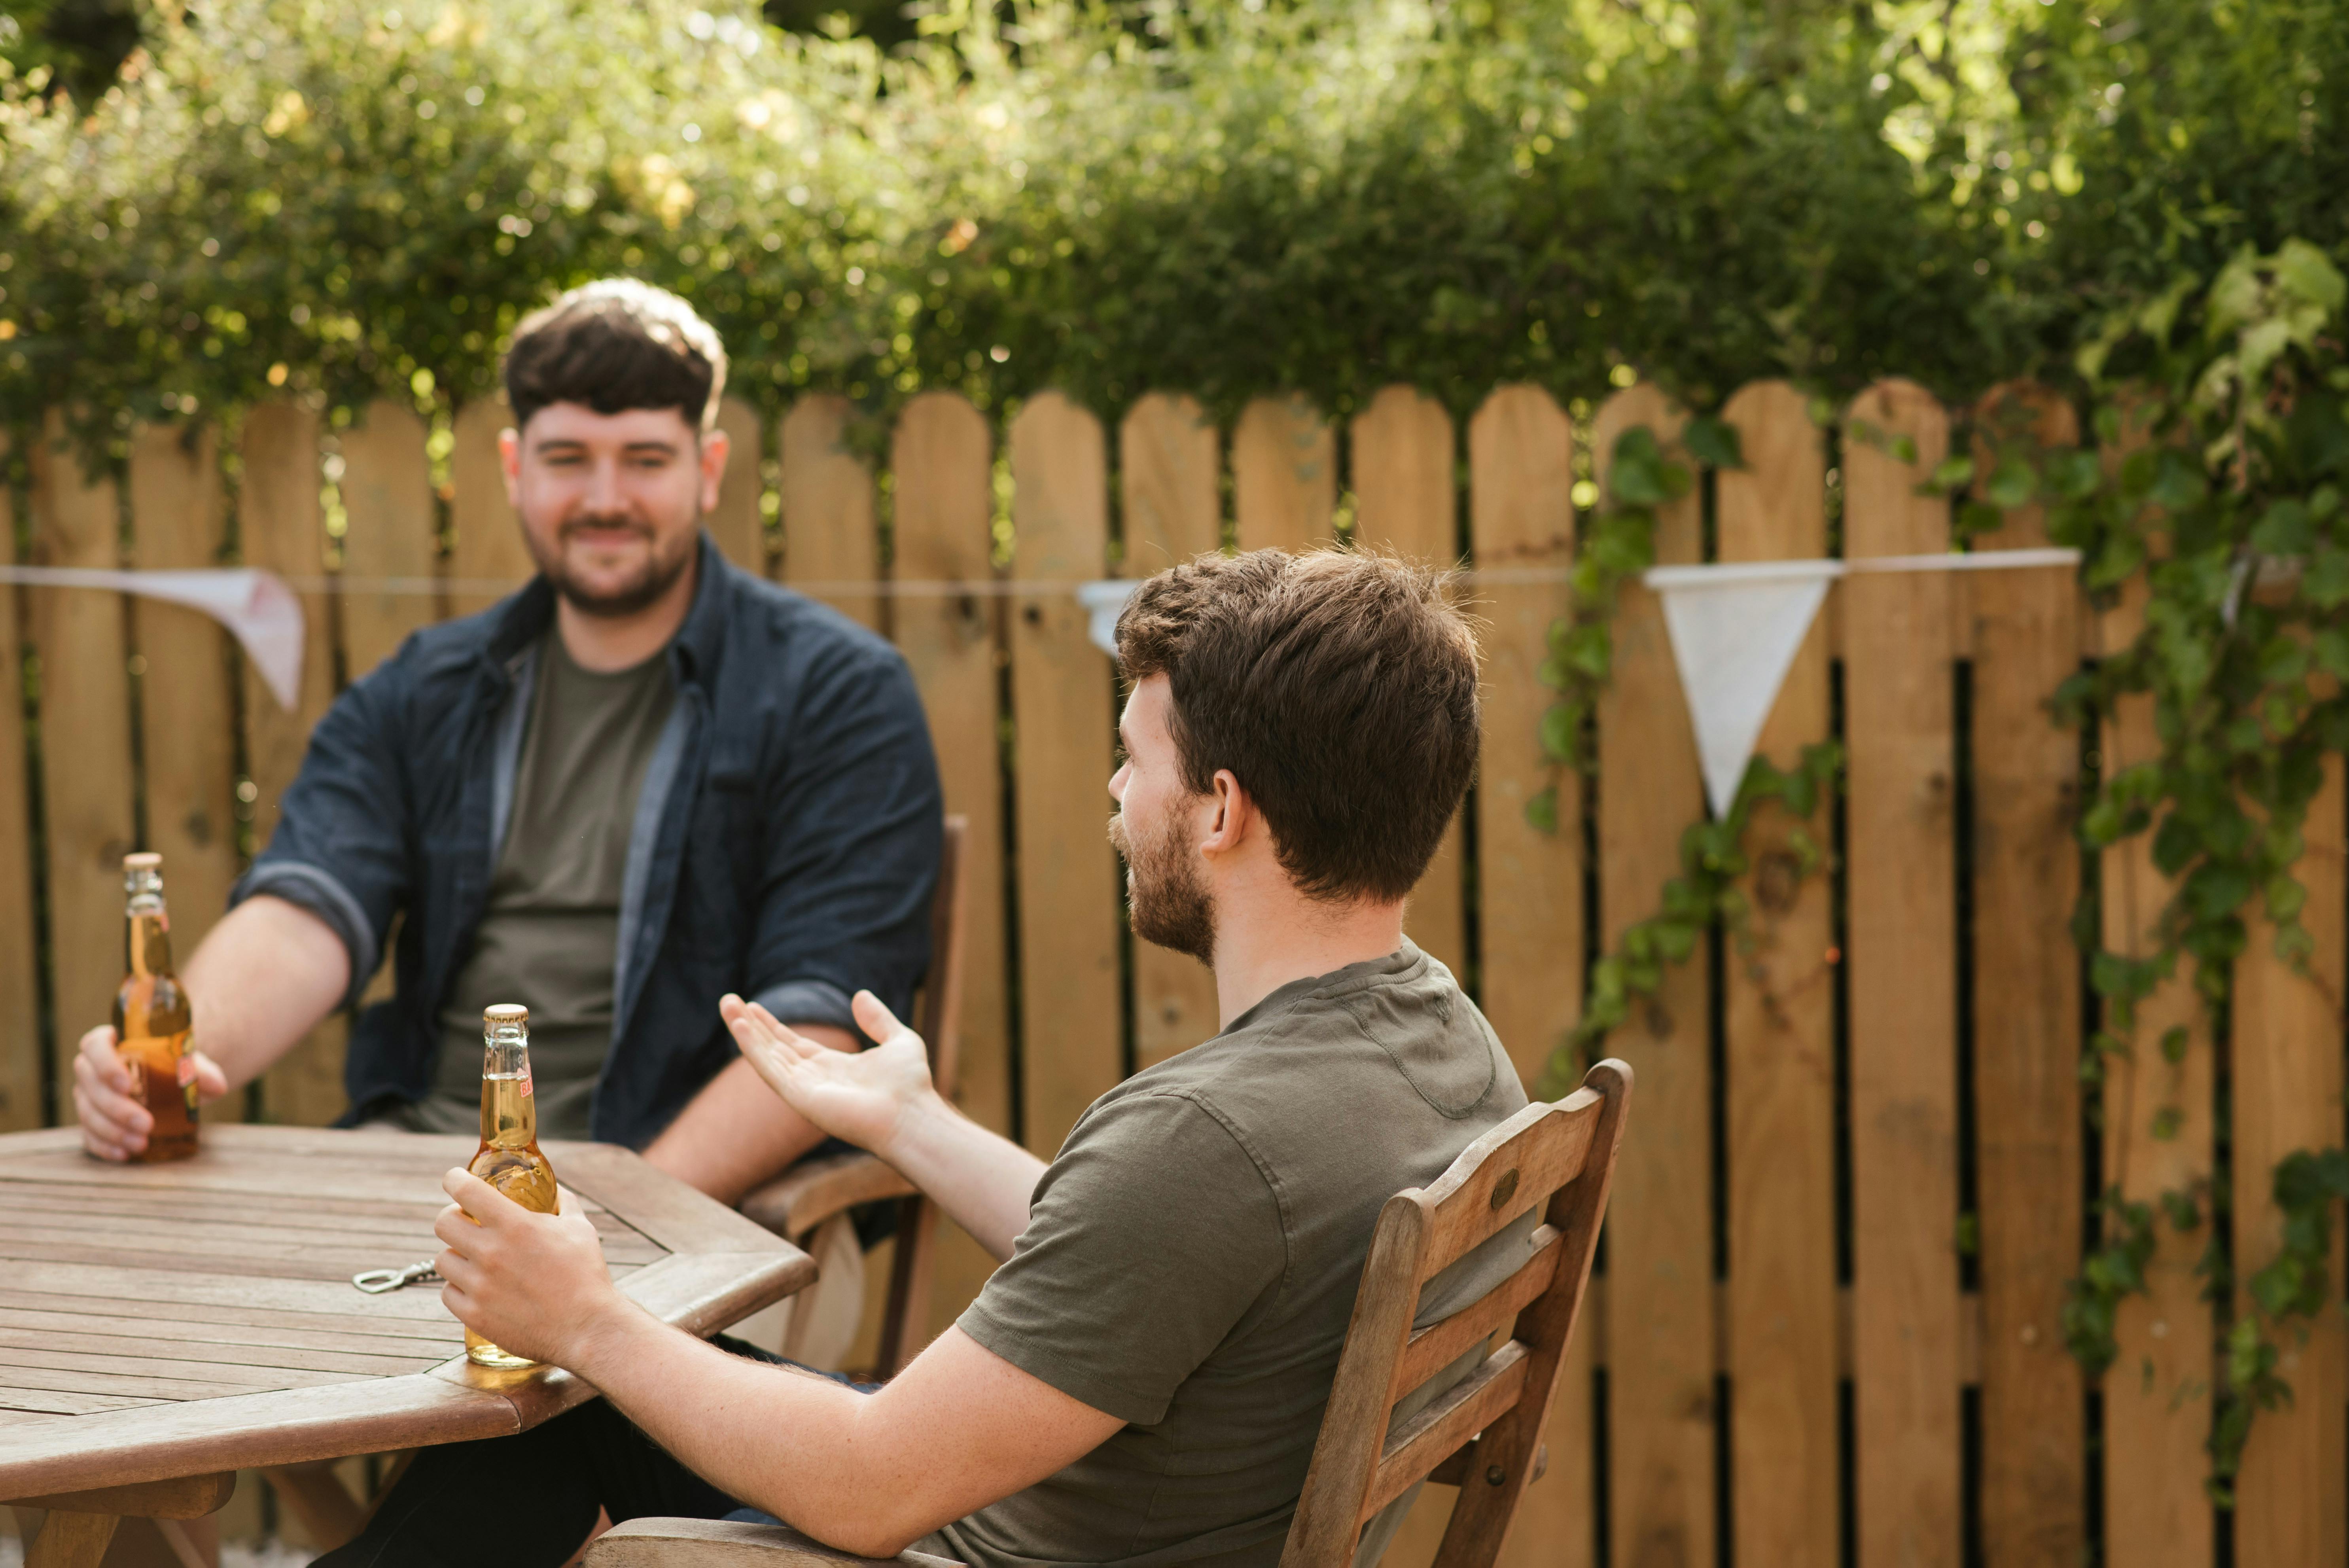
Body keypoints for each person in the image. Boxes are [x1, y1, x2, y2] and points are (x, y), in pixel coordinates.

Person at [323, 546, 1539, 1568]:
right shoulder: (1441, 1046)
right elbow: (1161, 1275)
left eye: (1134, 757)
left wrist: (584, 1318)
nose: (1116, 797)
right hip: (1043, 1508)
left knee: (570, 1389)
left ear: (1222, 811)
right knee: (579, 1407)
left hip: (938, 1535)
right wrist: (911, 1122)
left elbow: (870, 1485)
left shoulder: (1208, 1141)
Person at [69, 279, 943, 1220]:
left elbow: (818, 1022)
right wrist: (174, 1062)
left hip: (700, 1213)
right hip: (417, 1180)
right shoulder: (426, 687)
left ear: (710, 467)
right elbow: (308, 898)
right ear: (515, 465)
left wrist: (606, 1231)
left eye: (646, 458)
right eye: (569, 458)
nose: (606, 498)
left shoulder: (838, 692)